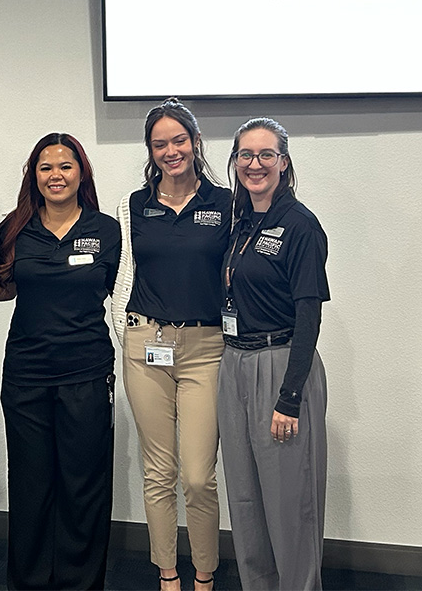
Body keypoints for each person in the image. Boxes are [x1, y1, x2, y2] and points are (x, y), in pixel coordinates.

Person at [111, 98, 232, 590]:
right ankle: (167, 574)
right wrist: (127, 334)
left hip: (207, 349)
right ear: (150, 151)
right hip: (146, 346)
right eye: (159, 144)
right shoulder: (133, 205)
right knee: (158, 471)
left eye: (179, 140)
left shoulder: (225, 203)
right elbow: (122, 275)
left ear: (196, 142)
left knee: (199, 476)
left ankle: (204, 575)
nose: (170, 151)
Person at [0, 133, 120, 590]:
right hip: (26, 375)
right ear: (34, 175)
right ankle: (28, 582)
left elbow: (121, 292)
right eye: (46, 167)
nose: (56, 175)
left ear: (81, 172)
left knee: (82, 486)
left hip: (86, 374)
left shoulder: (106, 229)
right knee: (30, 486)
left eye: (65, 166)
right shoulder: (13, 229)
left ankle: (79, 583)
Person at [218, 117, 329, 590]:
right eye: (245, 155)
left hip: (281, 364)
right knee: (245, 502)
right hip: (234, 363)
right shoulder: (242, 220)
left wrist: (289, 397)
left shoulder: (300, 225)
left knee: (290, 506)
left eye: (266, 155)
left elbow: (309, 318)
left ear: (283, 162)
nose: (255, 164)